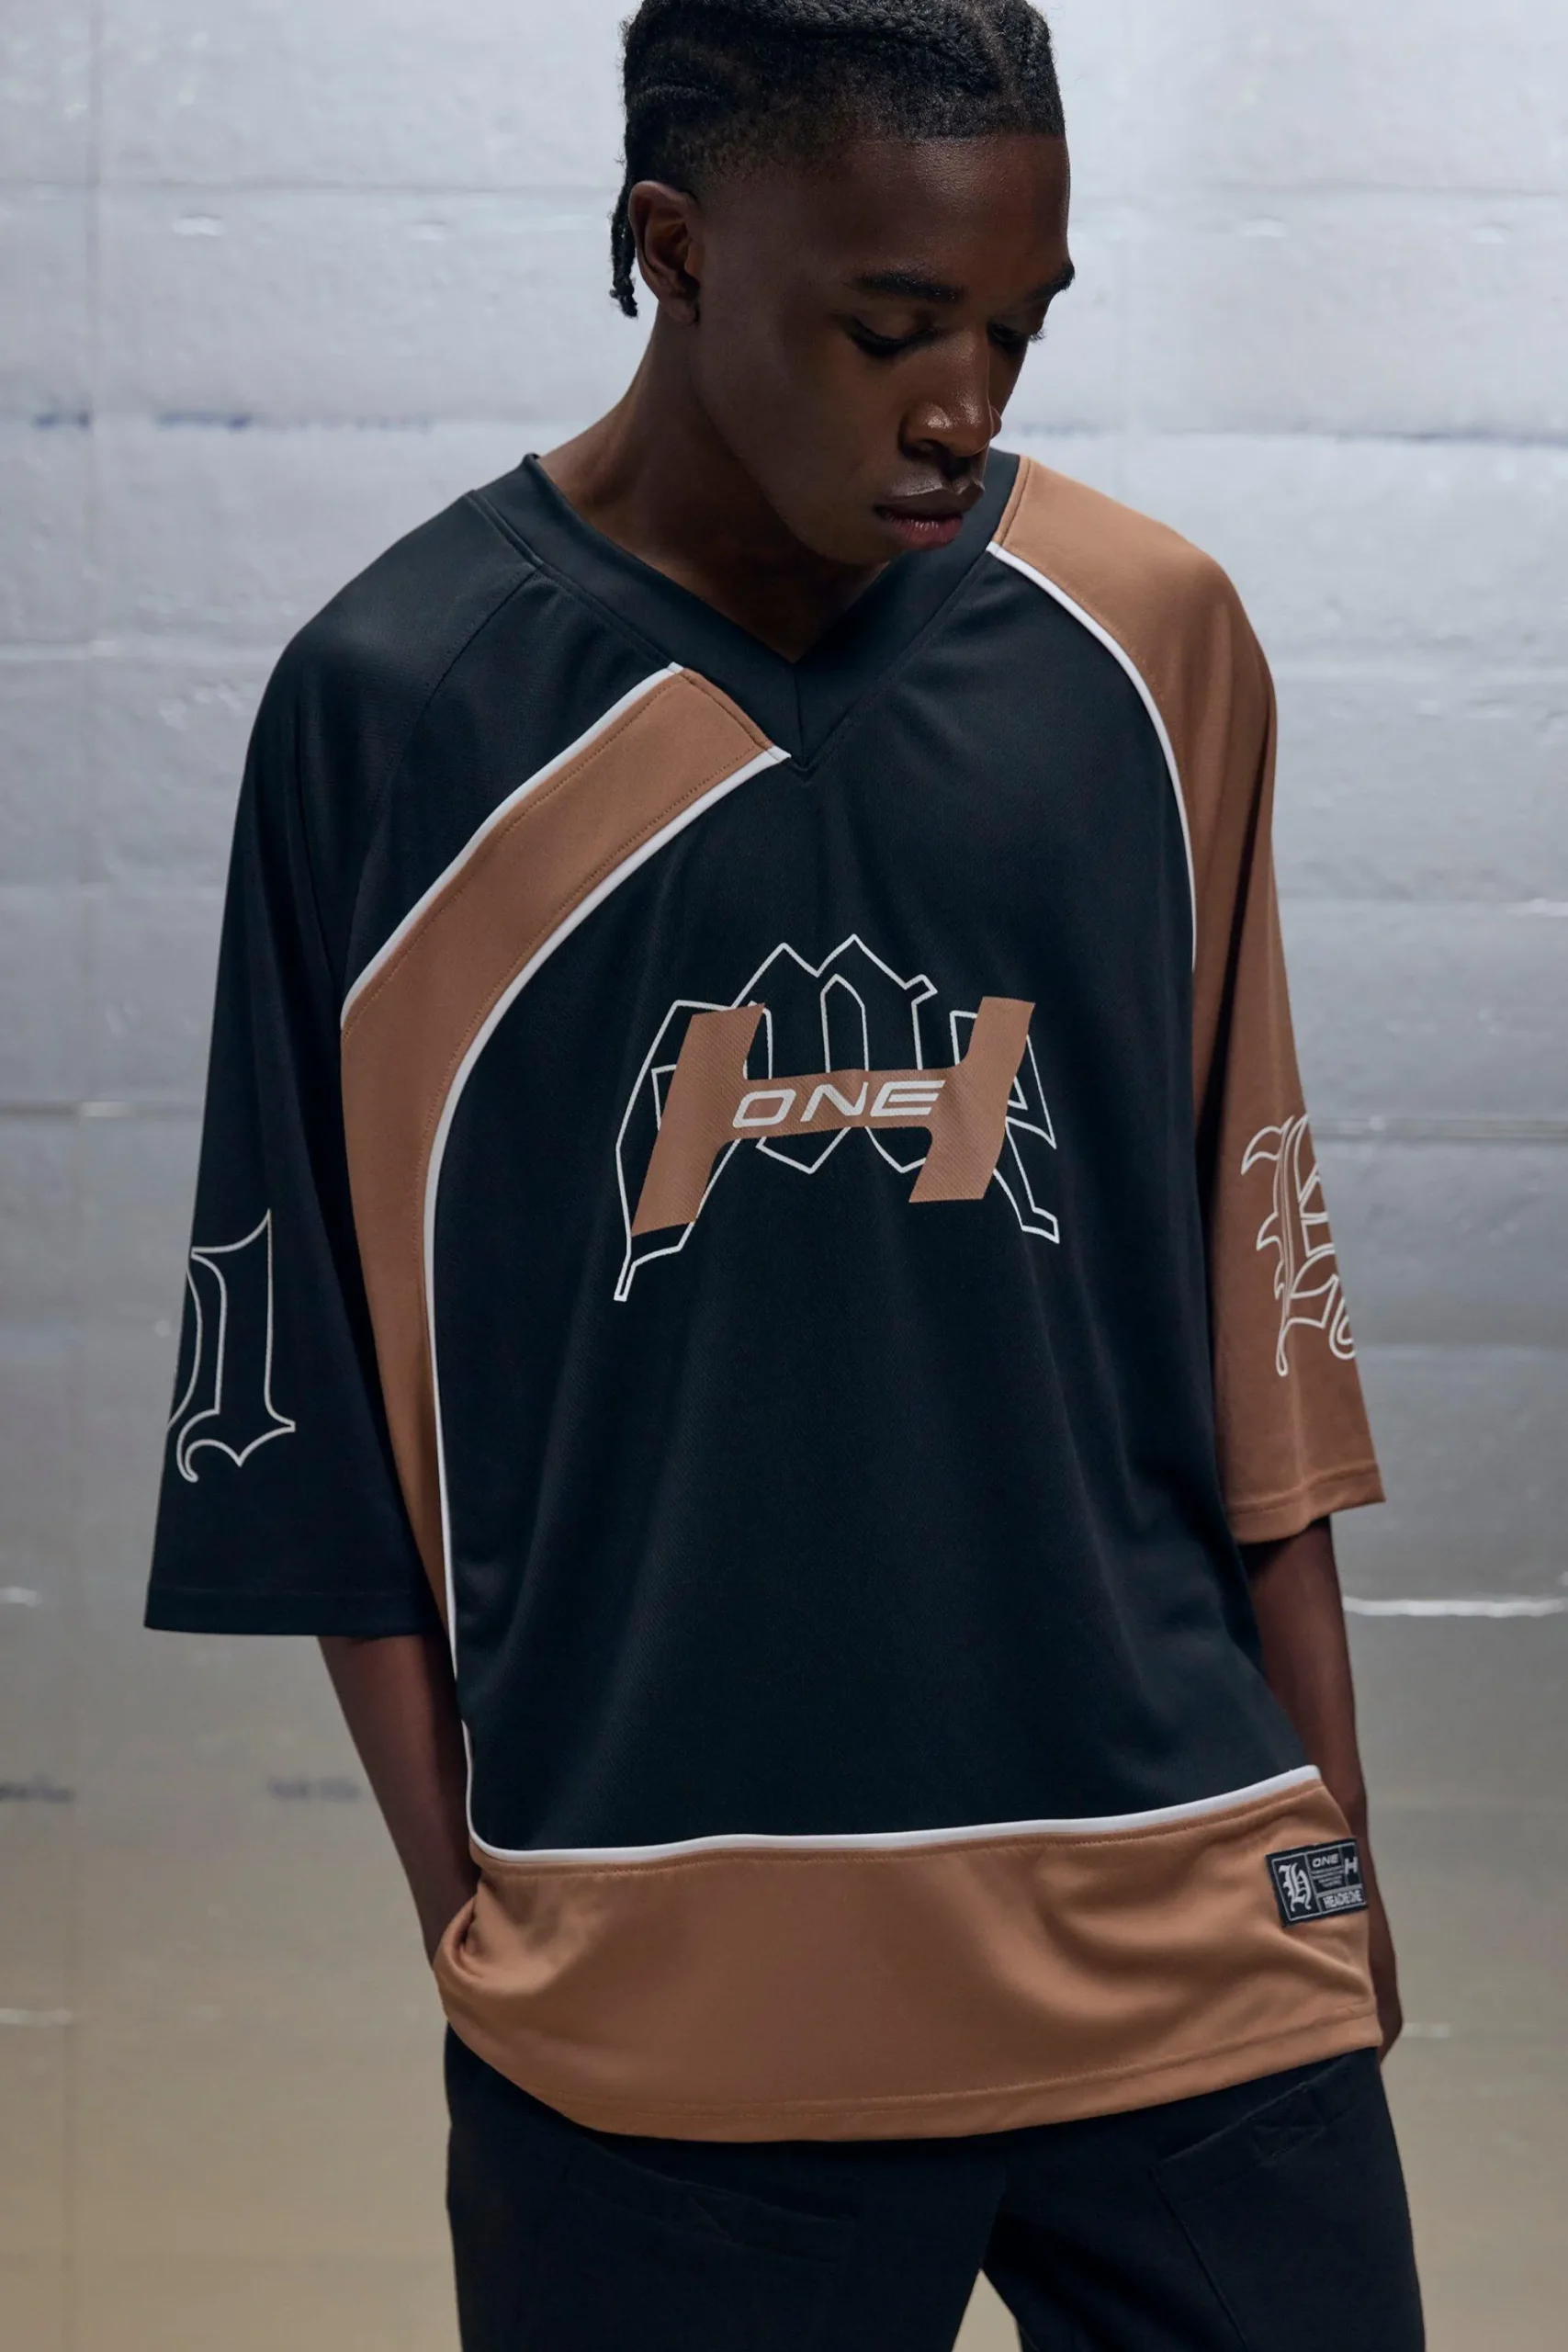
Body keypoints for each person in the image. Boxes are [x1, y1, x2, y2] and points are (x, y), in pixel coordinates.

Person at [145, 2, 1426, 2344]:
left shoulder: (1150, 642)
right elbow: (316, 1425)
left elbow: (1256, 1309)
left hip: (1192, 1954)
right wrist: (488, 1932)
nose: (966, 403)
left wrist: (1328, 1858)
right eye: (894, 325)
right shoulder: (397, 703)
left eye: (1017, 327)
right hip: (658, 2032)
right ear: (674, 249)